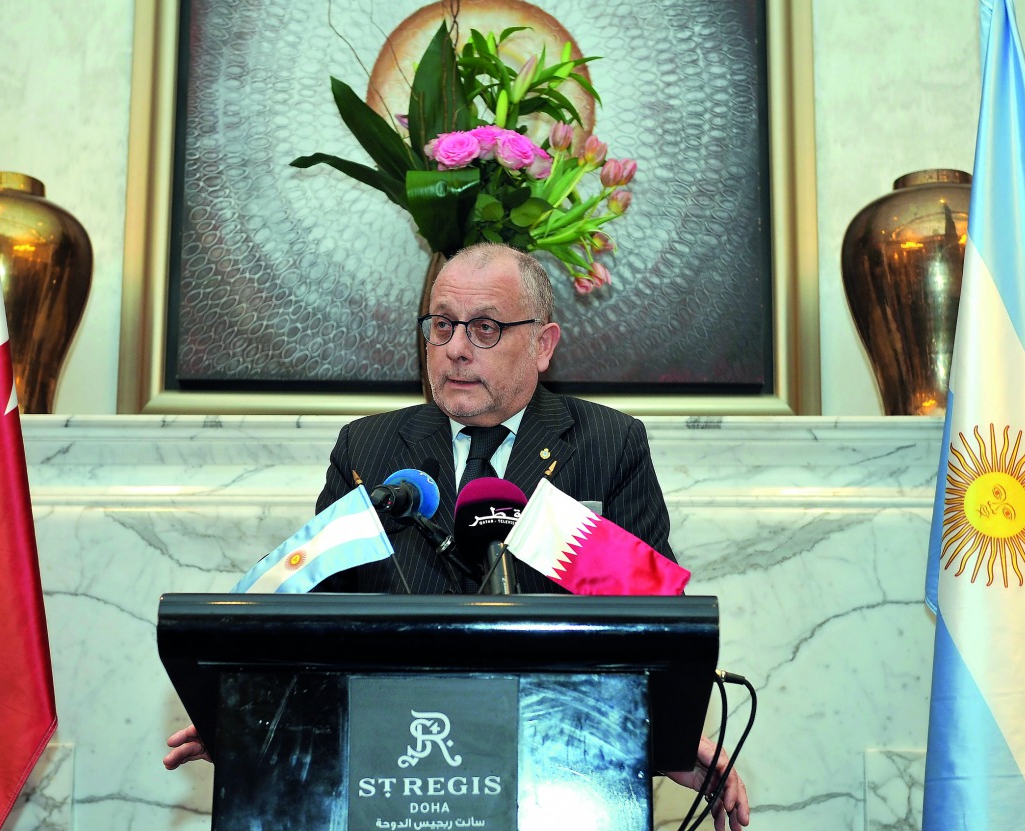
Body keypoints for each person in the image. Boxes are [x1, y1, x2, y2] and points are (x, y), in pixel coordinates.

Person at [164, 243, 751, 830]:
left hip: (555, 771)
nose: (456, 349)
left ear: (543, 345)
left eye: (486, 329)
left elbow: (654, 621)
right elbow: (312, 613)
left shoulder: (608, 444)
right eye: (441, 326)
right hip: (393, 774)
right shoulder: (368, 450)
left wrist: (670, 732)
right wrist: (248, 711)